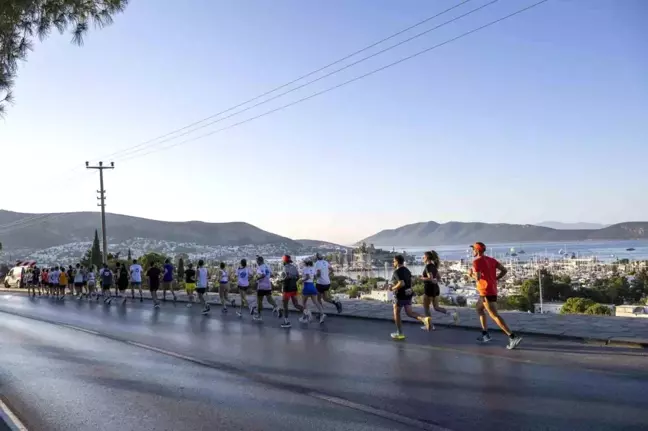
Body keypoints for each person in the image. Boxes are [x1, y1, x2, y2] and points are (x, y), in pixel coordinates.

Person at [469, 242, 522, 350]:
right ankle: (485, 334)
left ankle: (512, 336)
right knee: (479, 308)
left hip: (485, 292)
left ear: (477, 250)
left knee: (494, 315)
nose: (472, 251)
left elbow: (478, 278)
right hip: (491, 290)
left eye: (473, 249)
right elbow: (504, 270)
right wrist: (495, 279)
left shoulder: (476, 262)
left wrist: (470, 274)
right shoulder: (491, 260)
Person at [389, 254, 431, 340]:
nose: (393, 263)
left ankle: (400, 333)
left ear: (397, 262)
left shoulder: (397, 272)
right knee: (409, 313)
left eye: (393, 261)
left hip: (399, 295)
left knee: (396, 314)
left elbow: (401, 283)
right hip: (408, 294)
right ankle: (424, 319)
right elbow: (409, 282)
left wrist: (392, 288)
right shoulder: (407, 270)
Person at [420, 251, 459, 330]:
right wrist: (434, 280)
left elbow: (430, 278)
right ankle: (452, 314)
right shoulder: (434, 266)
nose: (422, 258)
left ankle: (430, 326)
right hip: (436, 288)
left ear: (427, 258)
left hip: (429, 289)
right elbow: (438, 277)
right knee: (436, 307)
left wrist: (422, 278)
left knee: (426, 308)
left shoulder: (428, 267)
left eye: (423, 257)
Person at [279, 255, 304, 328]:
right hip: (294, 288)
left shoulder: (284, 268)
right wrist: (293, 280)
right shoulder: (294, 267)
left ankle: (287, 322)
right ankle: (306, 313)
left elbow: (285, 278)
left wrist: (281, 280)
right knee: (296, 304)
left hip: (286, 289)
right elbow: (298, 277)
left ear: (284, 261)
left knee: (285, 306)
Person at [254, 256, 278, 321]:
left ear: (259, 261)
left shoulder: (259, 267)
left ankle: (259, 316)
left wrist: (257, 278)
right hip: (268, 285)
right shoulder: (267, 266)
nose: (256, 262)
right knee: (269, 299)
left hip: (261, 286)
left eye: (257, 261)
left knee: (259, 301)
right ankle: (277, 307)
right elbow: (272, 274)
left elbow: (263, 275)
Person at [300, 259, 325, 323]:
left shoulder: (305, 268)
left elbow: (307, 277)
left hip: (306, 287)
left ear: (306, 263)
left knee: (304, 303)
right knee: (316, 302)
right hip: (312, 286)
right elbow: (315, 277)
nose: (303, 264)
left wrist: (301, 280)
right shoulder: (313, 268)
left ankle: (305, 317)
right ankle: (322, 314)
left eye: (303, 263)